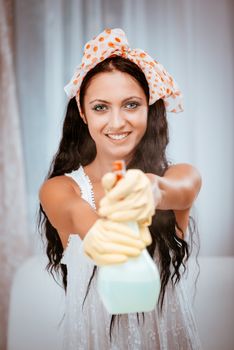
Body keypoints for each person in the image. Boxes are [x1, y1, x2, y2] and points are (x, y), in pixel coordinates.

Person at [39, 28, 202, 349]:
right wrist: (100, 234)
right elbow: (76, 214)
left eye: (131, 105)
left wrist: (153, 191)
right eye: (101, 107)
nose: (117, 122)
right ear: (83, 113)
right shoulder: (60, 189)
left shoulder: (179, 175)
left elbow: (179, 188)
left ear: (149, 108)